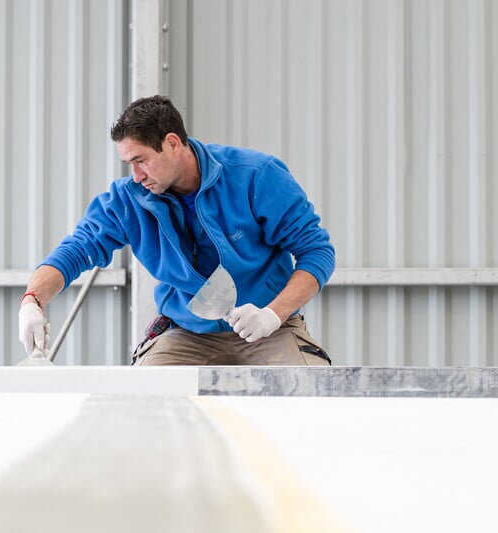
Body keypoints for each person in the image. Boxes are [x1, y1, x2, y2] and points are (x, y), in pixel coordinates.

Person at [18, 95, 335, 366]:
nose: (136, 175)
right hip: (185, 332)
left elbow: (317, 252)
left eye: (141, 160)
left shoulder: (257, 176)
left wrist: (272, 315)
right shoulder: (128, 201)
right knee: (145, 405)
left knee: (308, 394)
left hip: (271, 328)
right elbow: (76, 249)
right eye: (129, 163)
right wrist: (32, 301)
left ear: (171, 143)